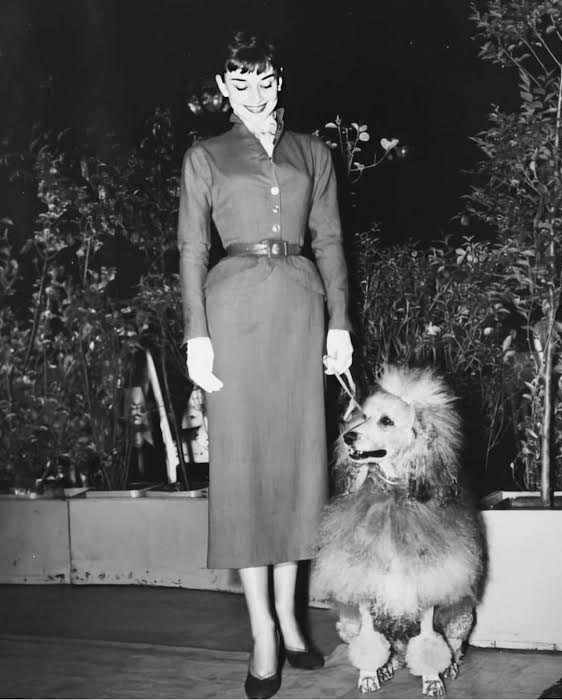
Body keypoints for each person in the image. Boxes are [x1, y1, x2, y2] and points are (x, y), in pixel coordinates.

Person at [177, 30, 353, 699]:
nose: (255, 93)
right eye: (241, 82)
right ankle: (263, 632)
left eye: (266, 80)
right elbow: (192, 248)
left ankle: (290, 616)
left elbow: (330, 239)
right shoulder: (205, 155)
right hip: (233, 315)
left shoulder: (315, 153)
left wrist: (340, 323)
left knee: (298, 468)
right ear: (225, 87)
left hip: (301, 308)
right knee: (246, 470)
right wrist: (197, 336)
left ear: (281, 81)